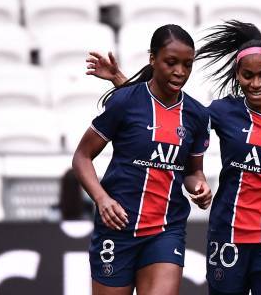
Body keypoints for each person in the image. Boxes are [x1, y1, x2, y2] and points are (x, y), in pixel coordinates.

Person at [88, 21, 261, 295]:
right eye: (247, 76)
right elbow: (169, 112)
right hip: (227, 233)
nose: (256, 84)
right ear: (238, 75)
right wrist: (120, 81)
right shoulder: (222, 112)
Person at [73, 24, 213, 295]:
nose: (180, 72)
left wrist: (200, 187)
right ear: (152, 59)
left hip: (165, 230)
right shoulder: (125, 102)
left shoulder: (197, 115)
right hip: (117, 227)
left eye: (187, 64)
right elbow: (82, 157)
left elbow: (193, 172)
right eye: (171, 62)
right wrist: (102, 199)